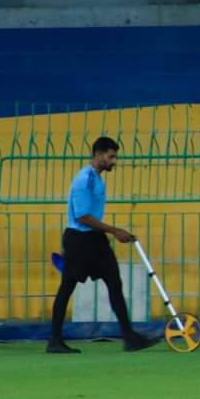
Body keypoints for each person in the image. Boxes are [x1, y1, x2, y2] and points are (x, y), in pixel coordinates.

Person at [47, 137, 160, 354]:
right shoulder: (85, 180)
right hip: (80, 240)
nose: (114, 161)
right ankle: (54, 340)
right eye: (111, 156)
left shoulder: (97, 179)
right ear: (98, 154)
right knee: (67, 288)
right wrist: (114, 231)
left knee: (114, 282)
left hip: (93, 239)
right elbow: (82, 216)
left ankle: (130, 337)